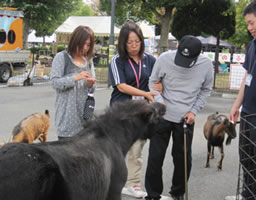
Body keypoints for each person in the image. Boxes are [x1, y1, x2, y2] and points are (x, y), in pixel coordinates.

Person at [145, 35, 214, 200]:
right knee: (155, 157)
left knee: (182, 160)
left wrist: (194, 111)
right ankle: (153, 194)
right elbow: (152, 82)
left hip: (186, 117)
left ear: (199, 54)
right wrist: (161, 103)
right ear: (177, 48)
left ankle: (177, 192)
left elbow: (206, 90)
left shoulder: (206, 65)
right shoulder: (164, 59)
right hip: (162, 115)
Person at [108, 21, 157, 198]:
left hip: (142, 112)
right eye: (130, 42)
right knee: (118, 148)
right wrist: (144, 92)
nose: (134, 46)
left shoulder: (150, 60)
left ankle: (133, 183)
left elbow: (157, 81)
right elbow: (121, 86)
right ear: (123, 43)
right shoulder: (117, 60)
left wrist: (157, 86)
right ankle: (113, 182)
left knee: (137, 148)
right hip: (121, 110)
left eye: (137, 41)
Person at [225, 1, 256, 200]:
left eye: (252, 22)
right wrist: (236, 106)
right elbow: (247, 76)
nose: (250, 28)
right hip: (248, 112)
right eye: (248, 24)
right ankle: (247, 194)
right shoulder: (252, 44)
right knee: (247, 158)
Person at [51, 25, 96, 140]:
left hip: (84, 118)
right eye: (83, 43)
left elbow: (92, 88)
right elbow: (55, 83)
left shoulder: (88, 61)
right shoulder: (62, 57)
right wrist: (76, 78)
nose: (85, 48)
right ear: (75, 40)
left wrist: (90, 84)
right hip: (67, 118)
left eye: (88, 45)